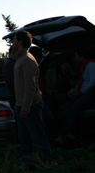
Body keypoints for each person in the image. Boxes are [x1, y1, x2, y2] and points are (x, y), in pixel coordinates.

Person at [12, 31, 51, 163]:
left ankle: (45, 161)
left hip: (30, 106)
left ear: (21, 42)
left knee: (37, 135)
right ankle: (28, 161)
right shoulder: (20, 59)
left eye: (15, 40)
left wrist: (25, 107)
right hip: (21, 105)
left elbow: (30, 87)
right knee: (24, 137)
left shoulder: (27, 60)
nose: (13, 42)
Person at [58, 47, 95, 143]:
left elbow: (92, 82)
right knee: (67, 107)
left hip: (90, 94)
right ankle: (70, 132)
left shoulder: (90, 65)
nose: (74, 58)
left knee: (74, 108)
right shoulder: (84, 66)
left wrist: (81, 92)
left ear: (79, 56)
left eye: (75, 56)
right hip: (85, 93)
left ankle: (66, 134)